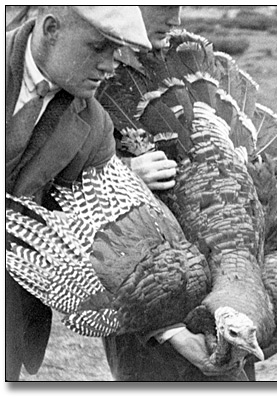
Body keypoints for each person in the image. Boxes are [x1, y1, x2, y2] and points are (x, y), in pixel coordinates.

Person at [97, 6, 255, 381]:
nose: (176, 21)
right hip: (145, 315)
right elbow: (63, 190)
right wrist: (122, 173)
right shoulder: (90, 72)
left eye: (181, 7)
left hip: (221, 289)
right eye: (164, 8)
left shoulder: (185, 58)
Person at [5, 6, 152, 381]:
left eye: (116, 51)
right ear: (51, 28)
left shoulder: (96, 128)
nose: (110, 65)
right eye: (99, 47)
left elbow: (108, 238)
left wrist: (168, 328)